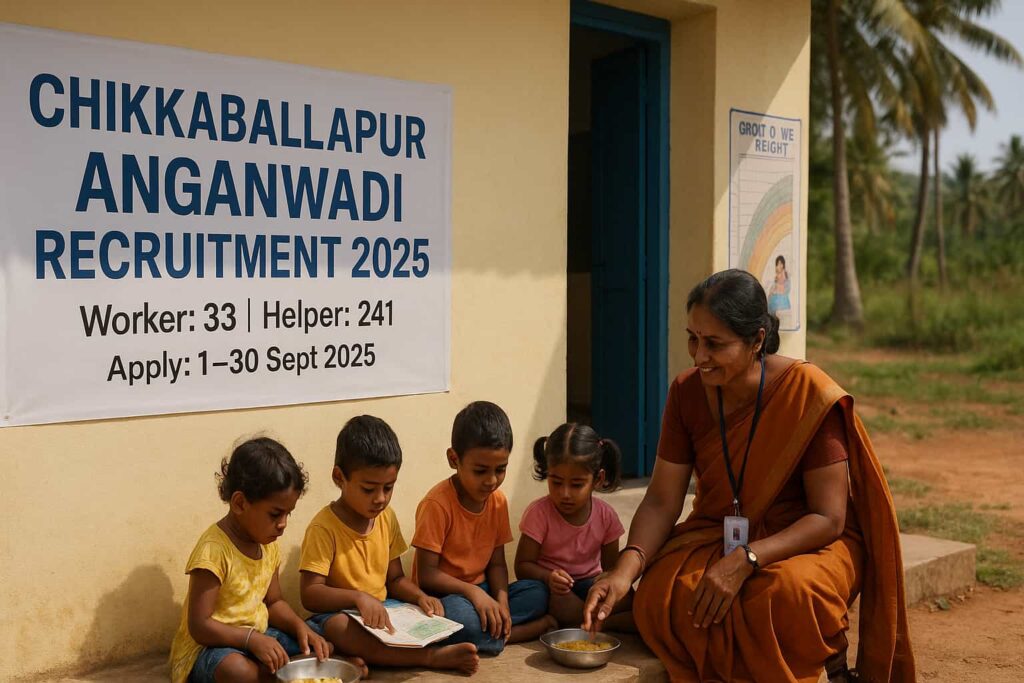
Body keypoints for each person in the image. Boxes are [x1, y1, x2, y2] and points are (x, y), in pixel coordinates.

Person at [582, 269, 915, 683]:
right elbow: (662, 499)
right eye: (693, 338)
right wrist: (623, 571)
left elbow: (829, 519)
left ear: (757, 340)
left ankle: (826, 665)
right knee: (660, 594)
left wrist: (747, 558)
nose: (698, 356)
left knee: (787, 595)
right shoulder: (687, 392)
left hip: (805, 542)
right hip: (717, 533)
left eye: (714, 344)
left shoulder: (807, 393)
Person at [299, 415, 480, 674]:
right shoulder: (324, 527)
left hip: (385, 611)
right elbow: (310, 594)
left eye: (388, 488)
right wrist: (358, 598)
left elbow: (395, 579)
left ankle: (358, 657)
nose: (380, 498)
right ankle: (429, 659)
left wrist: (420, 596)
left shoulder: (386, 517)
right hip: (339, 615)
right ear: (339, 477)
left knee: (440, 617)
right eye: (369, 489)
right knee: (341, 629)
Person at [168, 437, 341, 683]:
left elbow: (274, 602)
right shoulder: (213, 551)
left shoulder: (268, 545)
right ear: (240, 503)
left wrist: (299, 628)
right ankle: (289, 675)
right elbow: (200, 626)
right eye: (275, 514)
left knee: (318, 644)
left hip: (259, 634)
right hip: (211, 648)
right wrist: (251, 639)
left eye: (288, 513)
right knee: (238, 671)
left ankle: (304, 669)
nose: (282, 524)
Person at [412, 401, 556, 655]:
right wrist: (473, 594)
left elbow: (497, 564)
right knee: (461, 620)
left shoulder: (497, 501)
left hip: (484, 590)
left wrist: (502, 603)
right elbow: (426, 575)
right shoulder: (437, 504)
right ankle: (518, 634)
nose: (491, 481)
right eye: (480, 471)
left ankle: (497, 627)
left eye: (500, 470)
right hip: (447, 598)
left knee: (538, 593)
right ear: (453, 459)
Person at [514, 423, 630, 629]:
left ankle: (587, 619)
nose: (565, 493)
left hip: (589, 586)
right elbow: (522, 566)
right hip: (554, 590)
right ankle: (601, 622)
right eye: (556, 482)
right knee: (537, 596)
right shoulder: (539, 513)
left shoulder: (606, 516)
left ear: (598, 479)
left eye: (576, 484)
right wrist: (548, 577)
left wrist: (603, 588)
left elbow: (610, 570)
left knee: (629, 596)